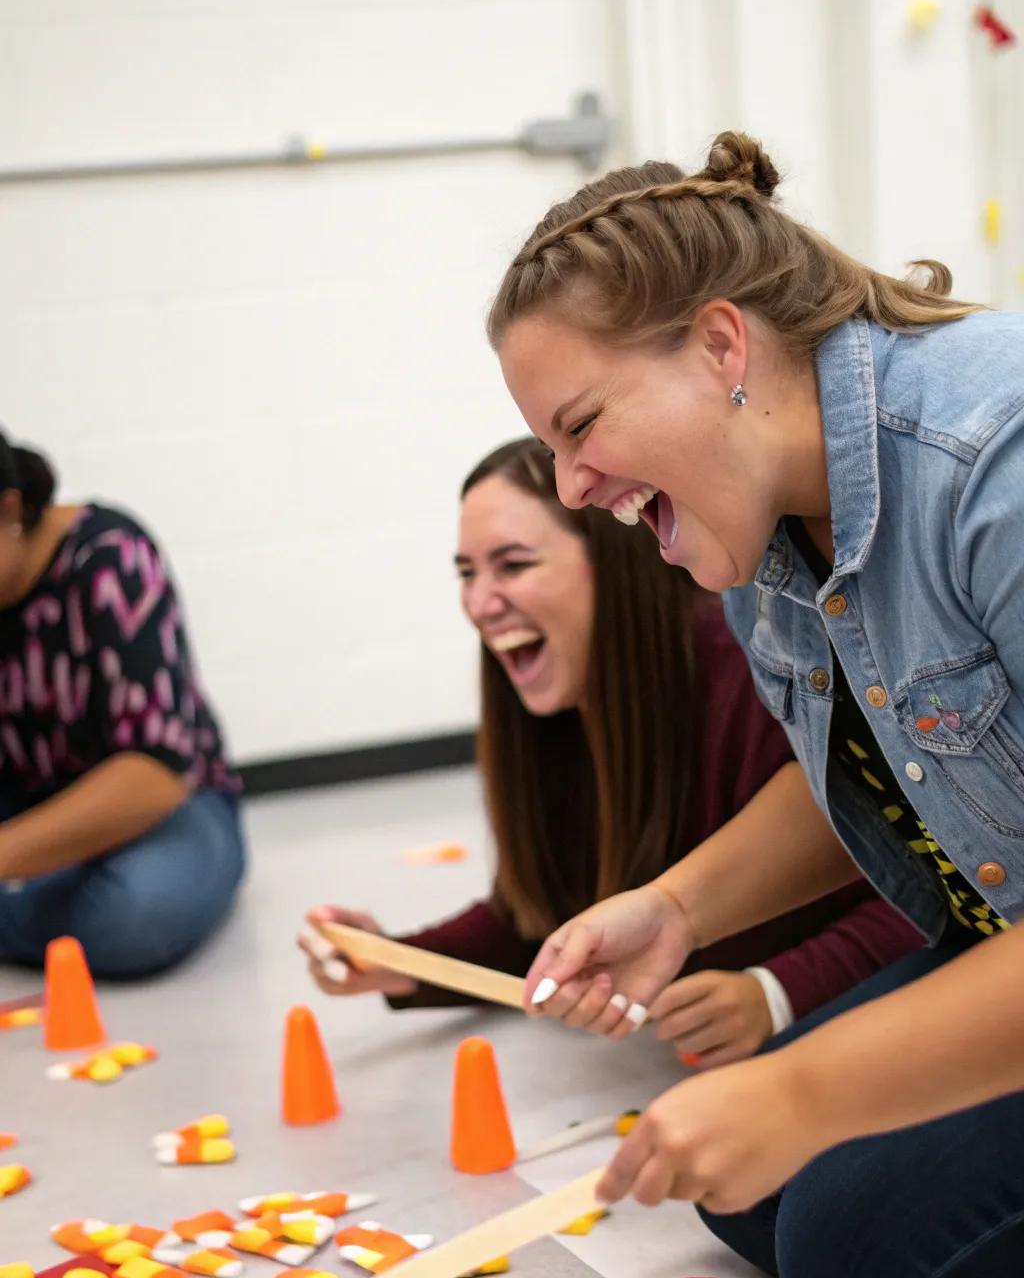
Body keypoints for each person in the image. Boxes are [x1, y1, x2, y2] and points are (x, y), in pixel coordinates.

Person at [487, 130, 1024, 1278]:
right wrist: (679, 905)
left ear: (723, 346)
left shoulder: (988, 460)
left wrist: (797, 1090)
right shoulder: (761, 520)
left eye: (581, 427)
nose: (573, 487)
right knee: (749, 1185)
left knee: (862, 1272)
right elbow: (894, 751)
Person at [299, 436, 918, 1067]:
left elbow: (919, 892)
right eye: (466, 573)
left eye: (513, 566)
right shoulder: (552, 713)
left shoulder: (750, 678)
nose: (479, 604)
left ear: (612, 563)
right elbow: (542, 914)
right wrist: (400, 961)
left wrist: (777, 992)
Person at [0, 427, 245, 978]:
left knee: (140, 912)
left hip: (158, 807)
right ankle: (41, 904)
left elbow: (153, 775)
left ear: (9, 509)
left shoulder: (109, 557)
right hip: (19, 803)